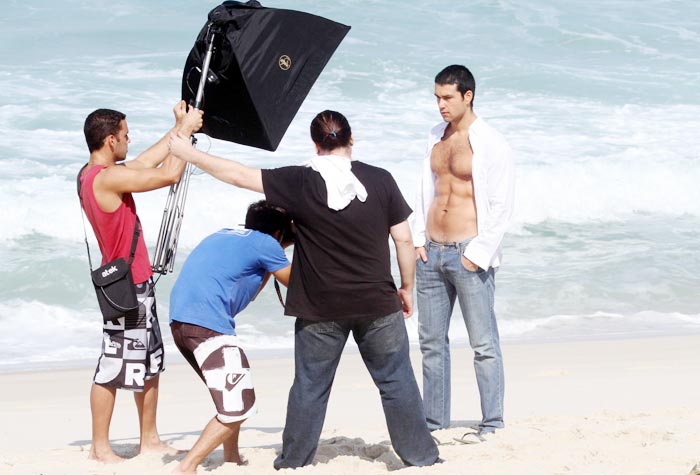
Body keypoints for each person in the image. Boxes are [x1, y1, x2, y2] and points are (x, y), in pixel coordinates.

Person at [168, 110, 440, 469]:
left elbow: (237, 175)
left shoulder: (299, 181)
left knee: (311, 386)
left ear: (314, 144)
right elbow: (403, 240)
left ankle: (294, 461)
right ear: (351, 139)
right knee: (396, 380)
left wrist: (188, 153)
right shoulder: (381, 179)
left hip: (319, 307)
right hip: (376, 300)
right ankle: (421, 457)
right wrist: (406, 287)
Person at [78, 102, 202, 462]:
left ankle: (149, 438)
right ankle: (100, 448)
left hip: (135, 282)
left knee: (149, 362)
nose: (130, 141)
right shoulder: (107, 178)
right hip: (126, 287)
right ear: (111, 139)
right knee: (112, 365)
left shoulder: (94, 173)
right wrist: (186, 135)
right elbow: (167, 175)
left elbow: (148, 161)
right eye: (126, 136)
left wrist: (178, 126)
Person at [412, 65, 515, 441]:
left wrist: (479, 252)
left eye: (447, 97)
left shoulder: (491, 142)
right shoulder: (434, 138)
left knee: (484, 343)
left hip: (468, 253)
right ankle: (434, 423)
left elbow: (502, 205)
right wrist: (419, 241)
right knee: (431, 344)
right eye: (437, 97)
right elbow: (426, 190)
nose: (440, 104)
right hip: (432, 255)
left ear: (467, 95)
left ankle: (492, 423)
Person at [169, 200, 293, 474]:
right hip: (207, 326)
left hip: (180, 324)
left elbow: (245, 288)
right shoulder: (266, 243)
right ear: (278, 233)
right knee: (237, 405)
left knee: (229, 397)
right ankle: (187, 466)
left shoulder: (223, 234)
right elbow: (296, 282)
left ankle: (232, 458)